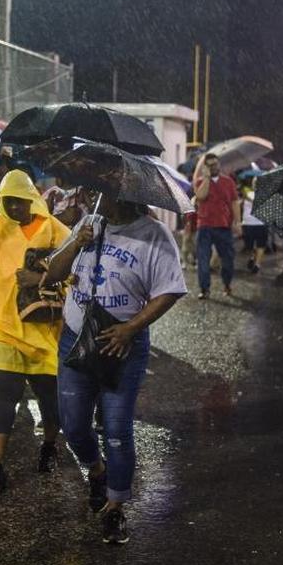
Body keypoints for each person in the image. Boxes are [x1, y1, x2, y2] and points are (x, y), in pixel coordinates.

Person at [44, 191, 186, 544]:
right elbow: (53, 274)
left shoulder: (154, 235)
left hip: (122, 343)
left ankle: (116, 508)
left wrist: (131, 328)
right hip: (76, 338)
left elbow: (170, 290)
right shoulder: (89, 223)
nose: (93, 197)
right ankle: (97, 469)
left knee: (117, 430)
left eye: (100, 192)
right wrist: (76, 244)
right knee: (73, 426)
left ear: (122, 196)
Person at [0, 170, 70, 495]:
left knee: (51, 399)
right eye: (9, 201)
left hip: (43, 330)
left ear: (32, 199)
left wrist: (42, 280)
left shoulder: (54, 229)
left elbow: (77, 272)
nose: (15, 207)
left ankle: (50, 444)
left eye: (21, 201)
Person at [192, 153, 240, 299]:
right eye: (210, 164)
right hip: (204, 225)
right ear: (205, 167)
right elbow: (201, 196)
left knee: (228, 260)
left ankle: (227, 284)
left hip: (223, 225)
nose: (214, 166)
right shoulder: (200, 181)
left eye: (215, 163)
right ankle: (204, 289)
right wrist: (206, 178)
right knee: (203, 259)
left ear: (219, 164)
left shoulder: (228, 182)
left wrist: (237, 221)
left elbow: (234, 202)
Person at [239, 176, 267, 274]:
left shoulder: (266, 194)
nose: (257, 183)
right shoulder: (248, 192)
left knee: (261, 244)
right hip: (248, 223)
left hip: (261, 223)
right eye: (255, 181)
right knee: (249, 245)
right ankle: (252, 256)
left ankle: (257, 265)